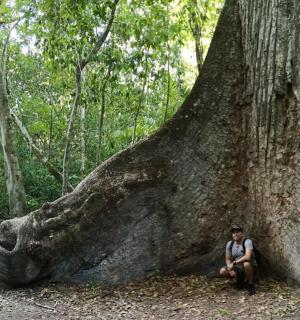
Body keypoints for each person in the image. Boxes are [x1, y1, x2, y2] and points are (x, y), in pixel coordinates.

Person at [219, 224, 257, 295]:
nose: (235, 234)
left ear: (242, 233)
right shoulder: (230, 244)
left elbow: (247, 256)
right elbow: (227, 258)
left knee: (246, 264)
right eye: (233, 232)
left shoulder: (247, 242)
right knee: (222, 271)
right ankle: (238, 281)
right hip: (237, 266)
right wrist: (230, 268)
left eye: (237, 232)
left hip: (249, 265)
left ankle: (251, 284)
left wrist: (233, 263)